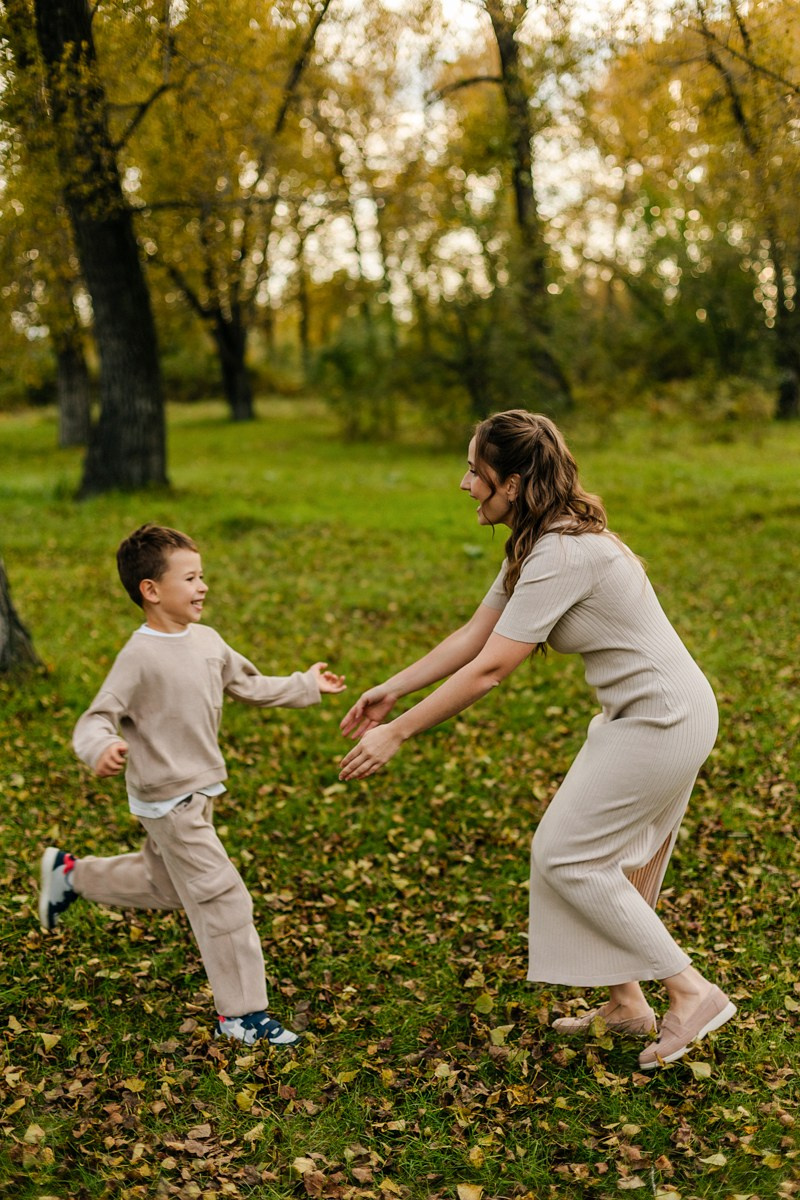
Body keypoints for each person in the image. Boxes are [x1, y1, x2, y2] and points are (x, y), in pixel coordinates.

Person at [339, 410, 735, 1070]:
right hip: (639, 714)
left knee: (567, 856)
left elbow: (490, 670)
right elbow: (473, 636)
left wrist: (399, 734)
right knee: (599, 860)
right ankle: (628, 1004)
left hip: (663, 718)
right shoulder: (539, 540)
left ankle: (691, 993)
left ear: (514, 482)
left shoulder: (562, 552)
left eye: (476, 470)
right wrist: (392, 690)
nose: (464, 483)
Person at [39, 524, 346, 1047]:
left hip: (200, 793)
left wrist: (304, 684)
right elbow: (95, 717)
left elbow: (248, 684)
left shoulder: (207, 641)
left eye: (202, 575)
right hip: (168, 802)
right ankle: (241, 1015)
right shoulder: (139, 657)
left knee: (164, 885)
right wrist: (102, 748)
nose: (203, 586)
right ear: (151, 591)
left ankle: (70, 876)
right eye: (190, 578)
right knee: (224, 899)